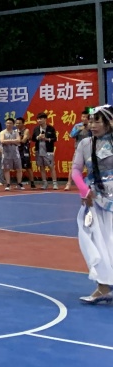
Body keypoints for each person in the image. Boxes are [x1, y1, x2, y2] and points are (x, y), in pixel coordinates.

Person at [73, 105, 113, 303]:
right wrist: (84, 190)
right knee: (95, 241)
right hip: (94, 198)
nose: (92, 125)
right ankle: (102, 286)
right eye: (91, 120)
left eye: (98, 121)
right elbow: (75, 170)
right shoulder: (85, 143)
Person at [66, 110, 92, 191]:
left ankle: (90, 184)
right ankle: (69, 184)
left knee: (90, 168)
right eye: (83, 117)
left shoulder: (92, 125)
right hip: (78, 150)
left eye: (86, 117)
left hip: (90, 150)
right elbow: (71, 135)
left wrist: (89, 129)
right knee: (75, 167)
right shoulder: (77, 126)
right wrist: (79, 129)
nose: (84, 118)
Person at [32, 113, 58, 189]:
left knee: (51, 167)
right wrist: (38, 137)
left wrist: (46, 139)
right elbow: (33, 138)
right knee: (41, 167)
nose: (39, 120)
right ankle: (45, 183)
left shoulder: (51, 128)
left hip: (48, 151)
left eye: (41, 119)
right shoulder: (36, 129)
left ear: (45, 119)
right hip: (39, 150)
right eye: (38, 119)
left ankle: (55, 183)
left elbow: (55, 139)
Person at [0, 116, 24, 190]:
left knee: (19, 169)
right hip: (6, 154)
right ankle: (8, 184)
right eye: (7, 123)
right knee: (6, 169)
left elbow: (19, 140)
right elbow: (2, 141)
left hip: (15, 153)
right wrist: (13, 141)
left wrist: (9, 141)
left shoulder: (16, 132)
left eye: (10, 123)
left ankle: (19, 183)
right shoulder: (2, 132)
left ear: (13, 124)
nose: (8, 124)